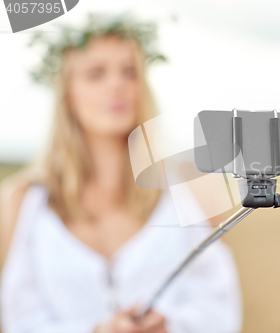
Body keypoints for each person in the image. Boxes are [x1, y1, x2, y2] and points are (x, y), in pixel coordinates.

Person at [0, 14, 242, 333]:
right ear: (66, 94)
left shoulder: (194, 184)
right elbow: (20, 322)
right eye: (95, 74)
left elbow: (219, 309)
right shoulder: (21, 200)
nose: (117, 85)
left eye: (130, 72)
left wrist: (170, 326)